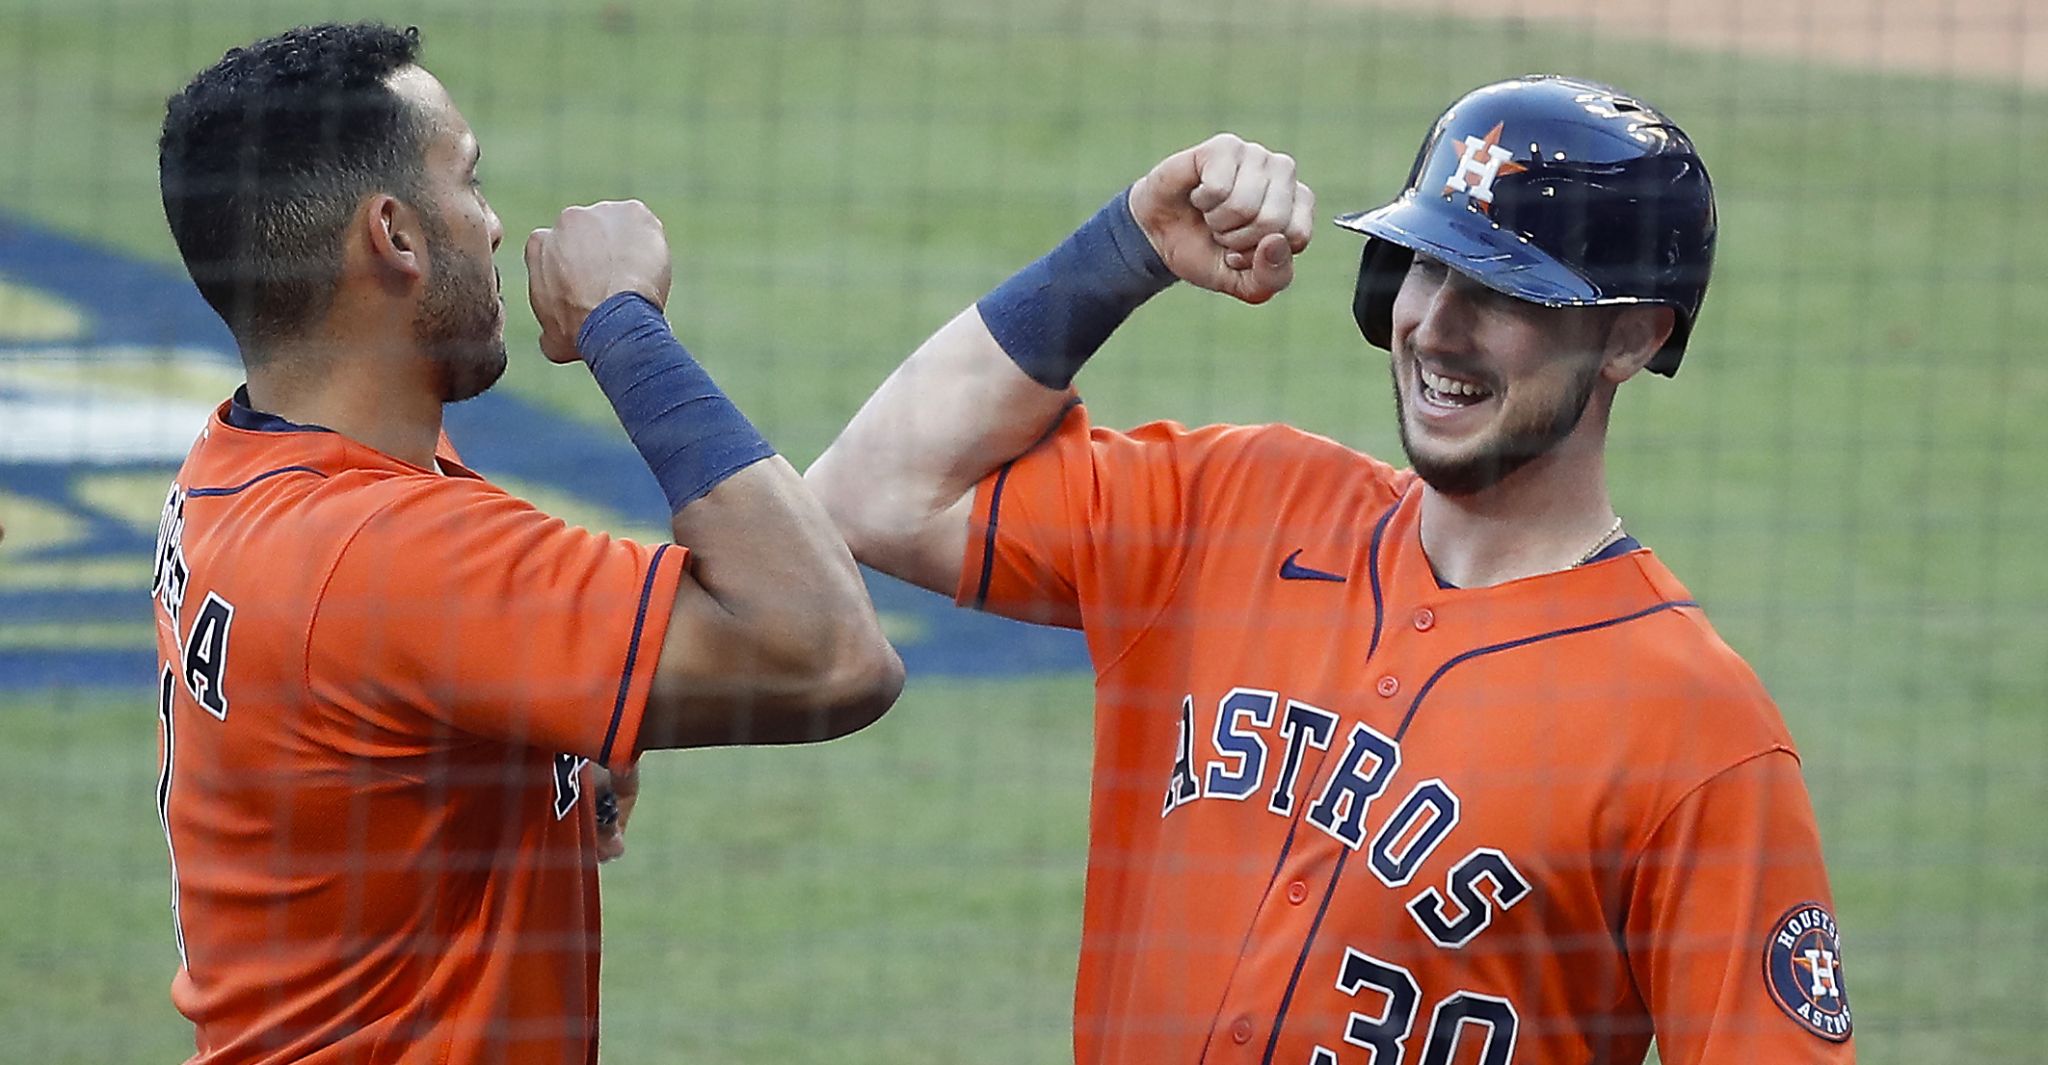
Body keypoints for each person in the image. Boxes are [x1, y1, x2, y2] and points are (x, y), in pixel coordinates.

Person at [808, 75, 1852, 1063]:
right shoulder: (1233, 509)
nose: (1436, 325)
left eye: (1501, 290)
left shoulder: (1695, 729)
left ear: (1630, 335)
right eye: (1425, 266)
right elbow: (871, 495)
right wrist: (1126, 244)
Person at [151, 22, 902, 1063]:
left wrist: (527, 737)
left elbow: (367, 705)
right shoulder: (387, 553)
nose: (496, 226)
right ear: (396, 236)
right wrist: (623, 326)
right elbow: (830, 653)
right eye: (469, 180)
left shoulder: (236, 467)